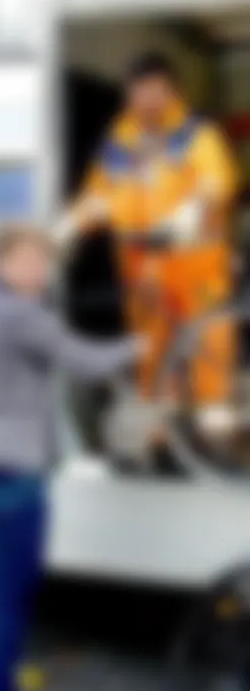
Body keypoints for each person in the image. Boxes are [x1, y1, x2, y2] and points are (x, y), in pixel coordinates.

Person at [0, 224, 143, 691]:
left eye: (44, 263)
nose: (40, 273)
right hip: (13, 473)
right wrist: (144, 342)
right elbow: (87, 361)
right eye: (32, 262)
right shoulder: (22, 315)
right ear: (4, 262)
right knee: (5, 604)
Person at [54, 51, 238, 450]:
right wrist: (70, 225)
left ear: (171, 92)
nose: (146, 102)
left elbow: (217, 180)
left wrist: (193, 209)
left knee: (207, 334)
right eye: (138, 93)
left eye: (153, 92)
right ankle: (160, 425)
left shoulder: (195, 135)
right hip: (140, 262)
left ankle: (213, 411)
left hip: (194, 260)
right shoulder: (122, 138)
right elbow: (100, 194)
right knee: (151, 341)